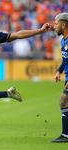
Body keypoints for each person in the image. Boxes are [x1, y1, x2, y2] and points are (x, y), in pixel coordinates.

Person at [52, 12, 68, 143]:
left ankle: (66, 135)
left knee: (63, 102)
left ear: (63, 24)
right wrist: (59, 70)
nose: (54, 26)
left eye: (56, 24)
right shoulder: (63, 40)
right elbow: (66, 59)